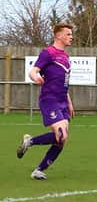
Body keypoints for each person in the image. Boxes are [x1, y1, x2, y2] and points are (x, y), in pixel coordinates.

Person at [16, 24, 75, 180]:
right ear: (59, 36)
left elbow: (64, 82)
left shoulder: (66, 57)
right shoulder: (48, 53)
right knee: (61, 135)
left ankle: (39, 170)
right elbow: (33, 71)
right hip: (50, 100)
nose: (71, 37)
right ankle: (31, 141)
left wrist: (69, 102)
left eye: (71, 34)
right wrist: (35, 77)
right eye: (68, 34)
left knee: (61, 140)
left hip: (62, 101)